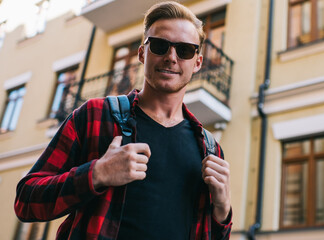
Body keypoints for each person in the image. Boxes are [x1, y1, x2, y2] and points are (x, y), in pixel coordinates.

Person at [14, 1, 232, 239]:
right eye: (160, 46)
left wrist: (222, 210)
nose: (171, 57)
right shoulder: (95, 115)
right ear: (142, 53)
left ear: (197, 62)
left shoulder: (209, 149)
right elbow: (26, 201)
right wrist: (97, 174)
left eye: (185, 50)